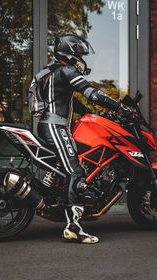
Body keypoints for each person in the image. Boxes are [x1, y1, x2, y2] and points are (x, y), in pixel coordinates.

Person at [38, 34, 129, 244]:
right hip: (56, 126)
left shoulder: (52, 73)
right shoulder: (67, 70)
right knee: (76, 172)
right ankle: (74, 228)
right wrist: (120, 106)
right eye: (79, 53)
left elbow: (68, 101)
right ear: (70, 53)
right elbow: (92, 93)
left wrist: (90, 112)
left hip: (49, 125)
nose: (81, 57)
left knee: (69, 168)